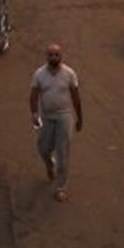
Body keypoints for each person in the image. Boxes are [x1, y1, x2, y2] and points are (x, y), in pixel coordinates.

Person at [30, 44, 84, 202]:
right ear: (46, 57)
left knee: (63, 152)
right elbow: (33, 96)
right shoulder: (39, 74)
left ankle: (61, 187)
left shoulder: (69, 74)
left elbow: (76, 97)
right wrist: (34, 113)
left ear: (61, 56)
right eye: (50, 55)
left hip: (64, 116)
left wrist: (80, 118)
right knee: (43, 147)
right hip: (46, 116)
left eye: (56, 55)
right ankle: (49, 163)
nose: (53, 57)